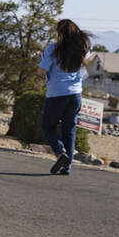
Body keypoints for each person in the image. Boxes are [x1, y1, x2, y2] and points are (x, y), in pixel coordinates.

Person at [38, 19, 91, 175]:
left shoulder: (53, 49)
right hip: (76, 95)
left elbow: (41, 71)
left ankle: (60, 152)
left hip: (56, 93)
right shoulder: (81, 49)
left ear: (60, 33)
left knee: (48, 126)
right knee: (69, 130)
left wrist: (43, 73)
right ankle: (67, 167)